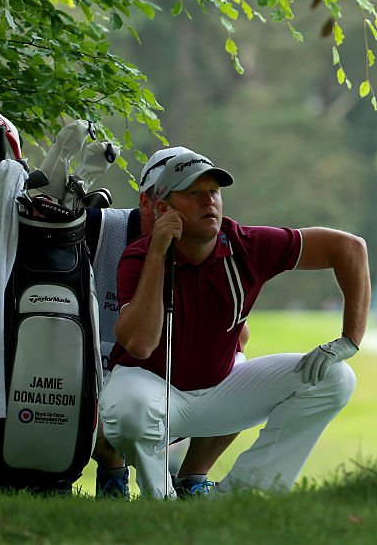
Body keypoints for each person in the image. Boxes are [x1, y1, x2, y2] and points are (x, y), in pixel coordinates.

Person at [99, 150, 368, 498]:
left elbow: (349, 248)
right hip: (150, 392)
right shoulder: (139, 256)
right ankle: (159, 501)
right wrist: (158, 254)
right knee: (128, 411)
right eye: (193, 193)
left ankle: (240, 497)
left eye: (213, 192)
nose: (208, 201)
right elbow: (139, 343)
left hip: (220, 391)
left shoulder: (245, 244)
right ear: (163, 209)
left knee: (335, 378)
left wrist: (350, 339)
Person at [89, 146, 252, 499]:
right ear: (147, 202)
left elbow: (239, 338)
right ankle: (112, 473)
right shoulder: (105, 229)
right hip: (101, 372)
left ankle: (193, 477)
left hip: (171, 381)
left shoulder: (206, 243)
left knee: (241, 374)